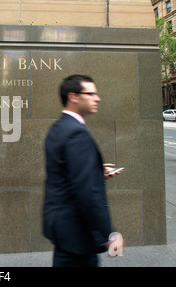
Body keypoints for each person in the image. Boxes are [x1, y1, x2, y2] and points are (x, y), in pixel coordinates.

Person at [42, 74, 123, 267]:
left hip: (63, 230)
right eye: (91, 93)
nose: (98, 98)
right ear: (74, 97)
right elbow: (88, 192)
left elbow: (66, 174)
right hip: (77, 233)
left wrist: (94, 171)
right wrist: (109, 235)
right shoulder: (76, 133)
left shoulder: (58, 128)